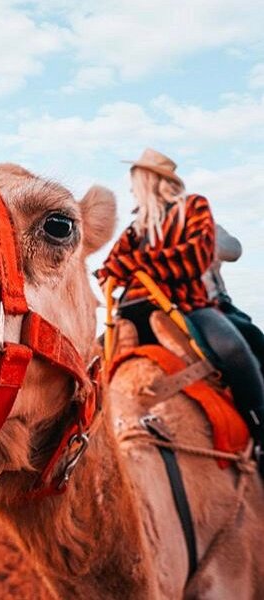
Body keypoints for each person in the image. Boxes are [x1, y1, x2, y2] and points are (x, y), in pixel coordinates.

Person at [95, 148, 264, 473]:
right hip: (132, 310)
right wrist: (122, 267)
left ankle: (259, 429)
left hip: (184, 304)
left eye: (137, 182)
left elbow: (195, 256)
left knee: (234, 349)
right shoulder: (136, 228)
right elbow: (108, 266)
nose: (133, 189)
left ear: (153, 181)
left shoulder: (195, 208)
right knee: (87, 364)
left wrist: (137, 264)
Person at [203, 224, 264, 376]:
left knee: (252, 335)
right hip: (173, 306)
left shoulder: (205, 225)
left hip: (216, 303)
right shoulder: (143, 231)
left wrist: (198, 243)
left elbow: (233, 251)